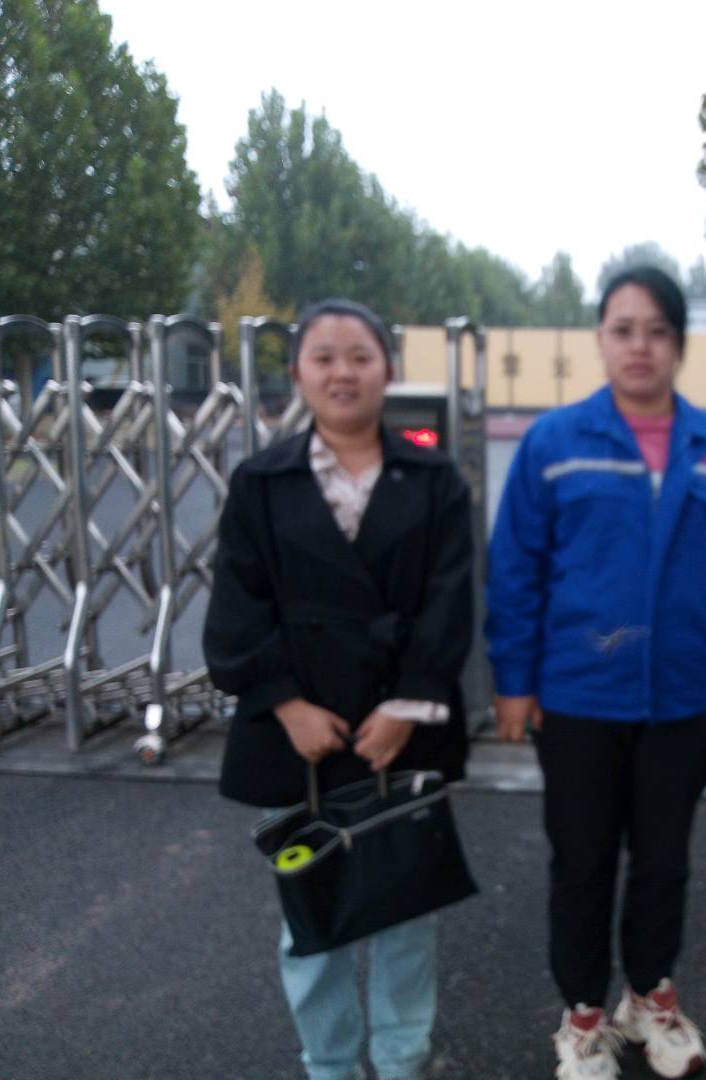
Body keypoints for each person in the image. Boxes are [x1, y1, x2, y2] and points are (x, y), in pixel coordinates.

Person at [486, 266, 706, 1079]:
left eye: (656, 331)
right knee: (580, 863)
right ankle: (583, 1016)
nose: (639, 346)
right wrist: (513, 681)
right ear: (601, 340)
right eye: (623, 330)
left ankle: (649, 997)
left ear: (678, 344)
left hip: (682, 700)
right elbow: (514, 570)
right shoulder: (555, 443)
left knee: (662, 863)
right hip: (579, 698)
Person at [203, 298, 472, 1080]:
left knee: (406, 913)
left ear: (389, 370)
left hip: (400, 726)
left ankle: (400, 1059)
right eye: (324, 357)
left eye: (360, 356)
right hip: (301, 736)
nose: (342, 373)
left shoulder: (433, 479)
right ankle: (327, 1065)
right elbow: (237, 604)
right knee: (310, 917)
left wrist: (405, 705)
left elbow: (450, 598)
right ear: (297, 373)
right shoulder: (261, 481)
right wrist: (286, 704)